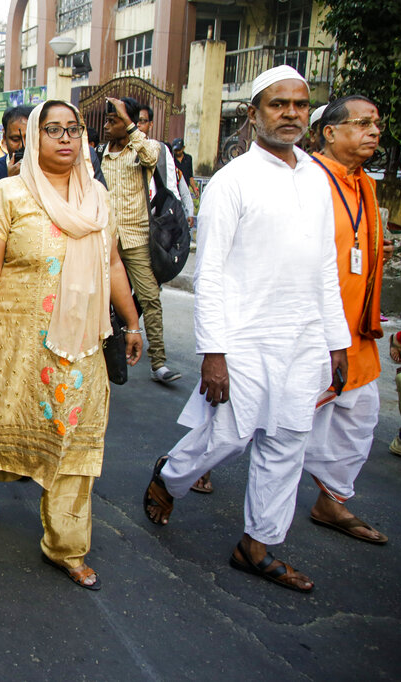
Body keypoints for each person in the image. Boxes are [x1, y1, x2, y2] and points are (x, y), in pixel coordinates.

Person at [142, 66, 350, 593]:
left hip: (303, 338)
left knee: (288, 441)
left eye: (300, 105)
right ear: (253, 114)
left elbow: (325, 264)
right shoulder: (233, 181)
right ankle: (171, 476)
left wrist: (336, 339)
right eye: (278, 105)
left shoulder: (316, 178)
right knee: (230, 436)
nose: (290, 114)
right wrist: (213, 351)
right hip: (244, 338)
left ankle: (256, 545)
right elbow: (209, 272)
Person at [0, 100, 142, 590]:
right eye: (52, 130)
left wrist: (133, 323)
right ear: (33, 138)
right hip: (16, 337)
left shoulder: (96, 196)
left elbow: (114, 264)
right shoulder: (8, 194)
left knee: (77, 434)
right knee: (0, 415)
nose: (65, 139)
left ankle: (67, 545)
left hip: (82, 342)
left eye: (73, 130)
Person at [301, 96, 388, 544]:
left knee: (360, 415)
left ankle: (331, 499)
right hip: (309, 328)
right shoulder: (305, 179)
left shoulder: (366, 183)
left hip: (357, 328)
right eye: (363, 123)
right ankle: (192, 467)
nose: (375, 131)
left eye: (377, 123)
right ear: (330, 132)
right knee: (270, 413)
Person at [100, 96, 179, 384]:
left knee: (149, 298)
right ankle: (101, 357)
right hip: (105, 238)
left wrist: (131, 126)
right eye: (107, 121)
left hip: (136, 237)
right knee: (99, 299)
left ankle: (159, 363)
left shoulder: (145, 149)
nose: (108, 126)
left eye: (114, 120)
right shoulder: (100, 153)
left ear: (128, 122)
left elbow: (151, 157)